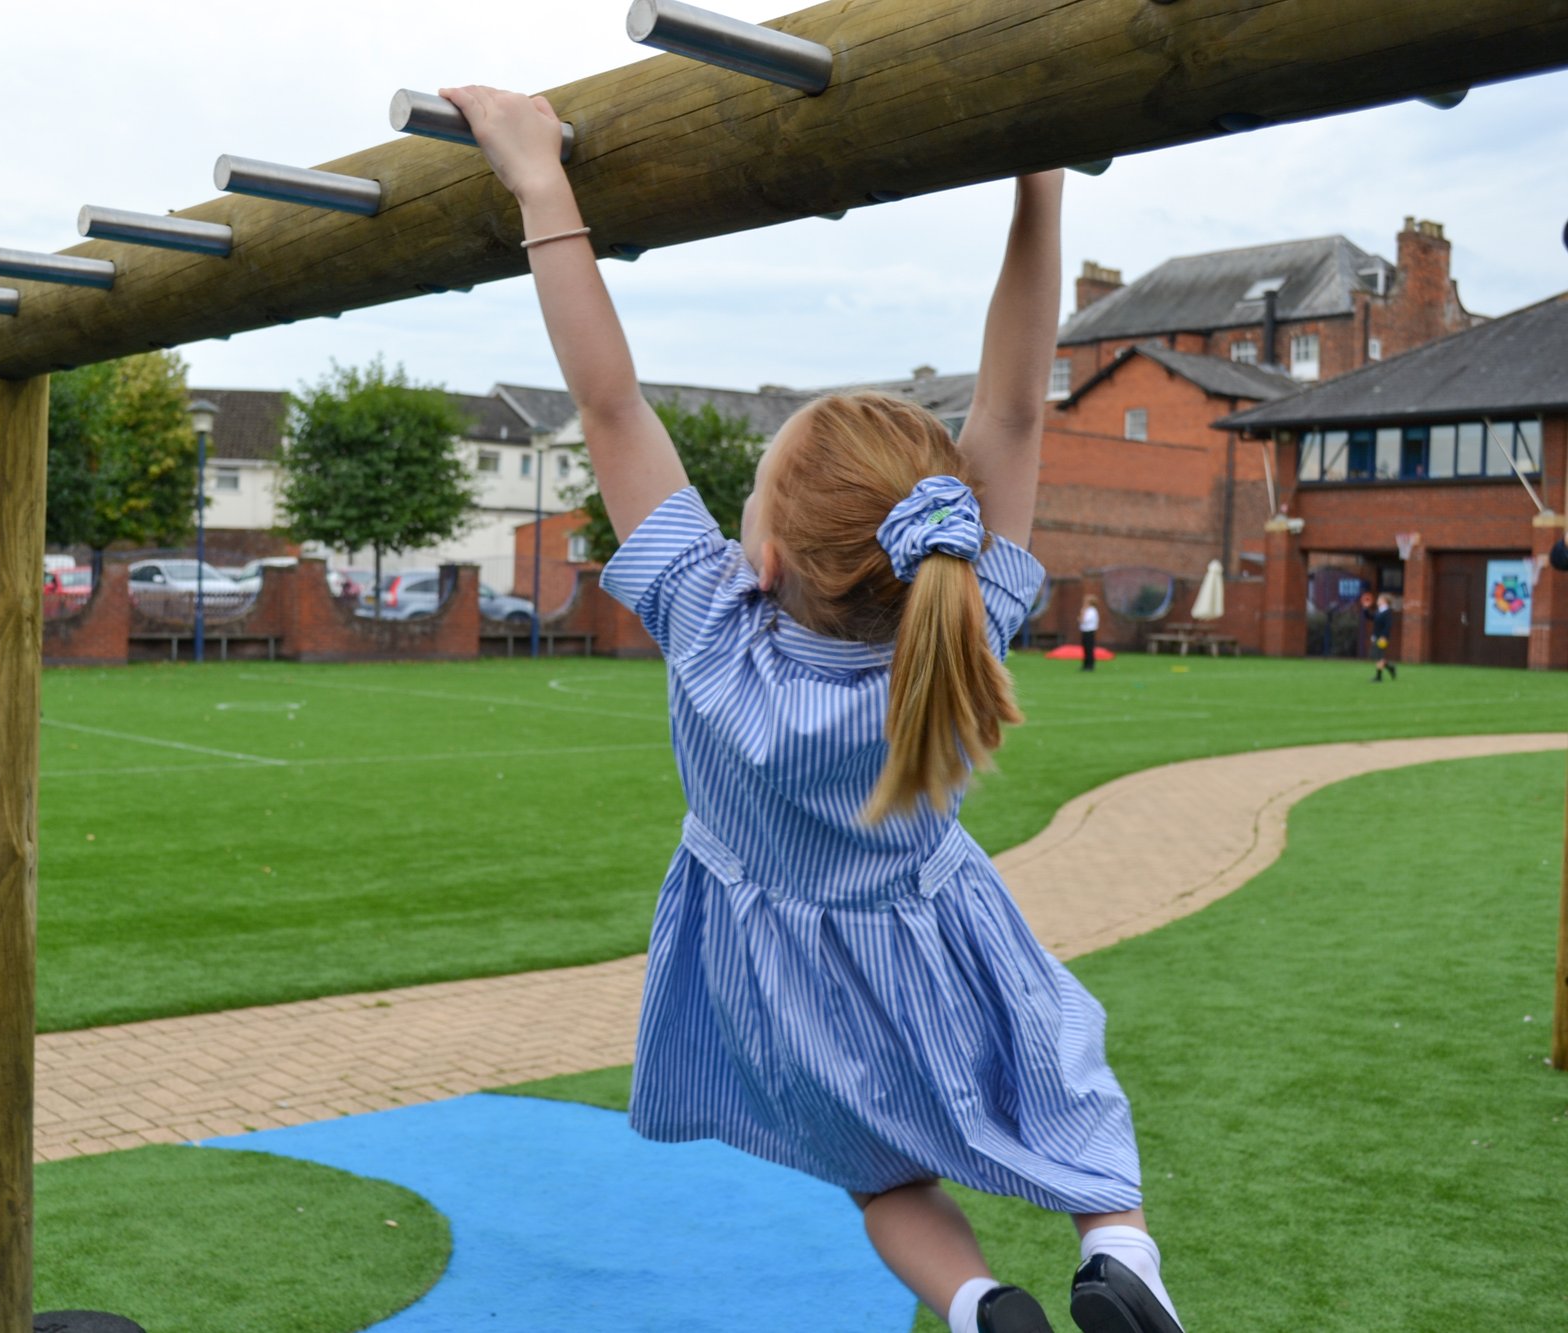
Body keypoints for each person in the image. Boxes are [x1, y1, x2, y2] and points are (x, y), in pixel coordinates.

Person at [443, 86, 1183, 1333]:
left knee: (881, 1174)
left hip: (776, 972)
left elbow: (610, 406)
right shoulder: (954, 631)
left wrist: (536, 182)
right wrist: (1037, 182)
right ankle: (1117, 1255)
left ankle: (977, 1305)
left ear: (769, 557)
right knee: (1065, 1103)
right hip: (940, 940)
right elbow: (1008, 407)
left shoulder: (713, 633)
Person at [1366, 592, 1396, 682]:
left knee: (1379, 657)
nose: (1378, 601)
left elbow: (1388, 626)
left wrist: (1383, 636)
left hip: (1382, 638)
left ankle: (1379, 677)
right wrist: (1365, 609)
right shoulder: (1379, 611)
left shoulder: (1387, 613)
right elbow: (1371, 617)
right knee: (1377, 656)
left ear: (1385, 601)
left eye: (1379, 599)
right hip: (1376, 636)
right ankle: (1390, 667)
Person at [1078, 594, 1100, 671]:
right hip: (1085, 631)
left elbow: (1083, 620)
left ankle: (1090, 665)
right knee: (1086, 649)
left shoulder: (1092, 611)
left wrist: (1082, 613)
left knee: (1089, 649)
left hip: (1089, 632)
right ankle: (1085, 664)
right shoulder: (1087, 610)